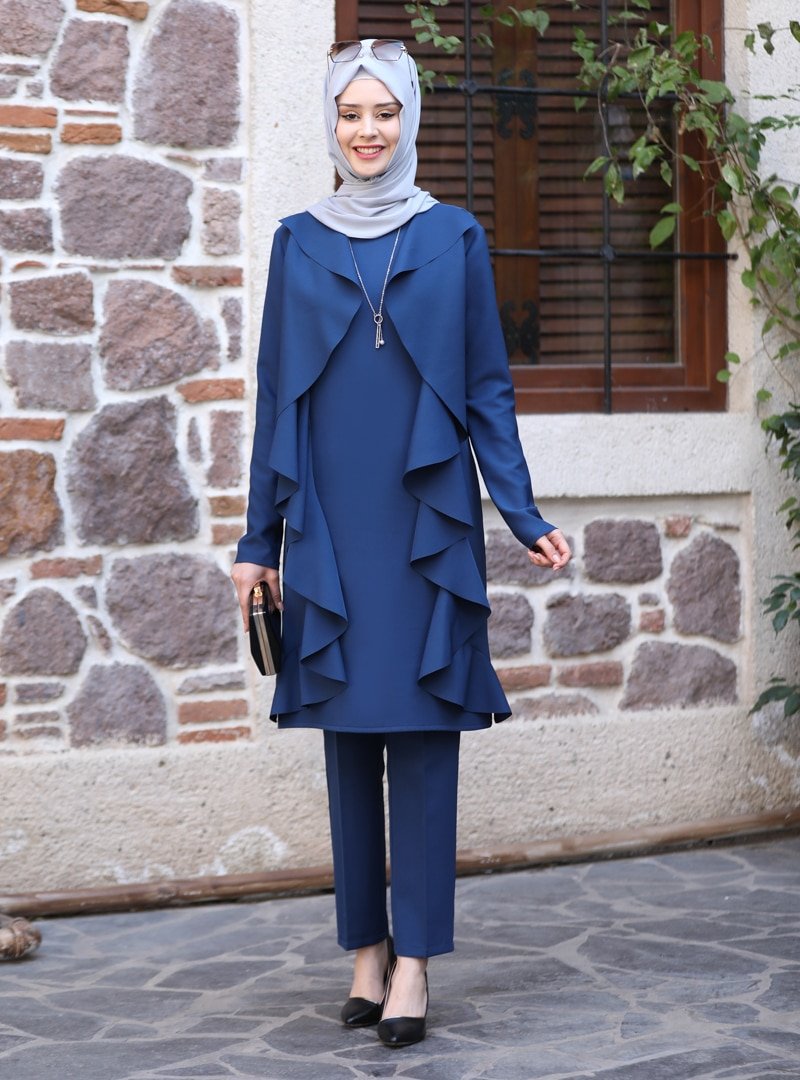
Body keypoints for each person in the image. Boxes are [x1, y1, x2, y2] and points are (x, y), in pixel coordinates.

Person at [231, 37, 571, 1049]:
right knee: (346, 736)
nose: (367, 131)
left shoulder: (454, 236)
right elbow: (274, 399)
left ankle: (415, 960)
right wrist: (257, 538)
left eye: (384, 112)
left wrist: (523, 513)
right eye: (351, 114)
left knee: (421, 734)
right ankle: (365, 952)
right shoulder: (296, 242)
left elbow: (486, 389)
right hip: (329, 520)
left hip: (425, 521)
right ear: (331, 125)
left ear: (409, 119)